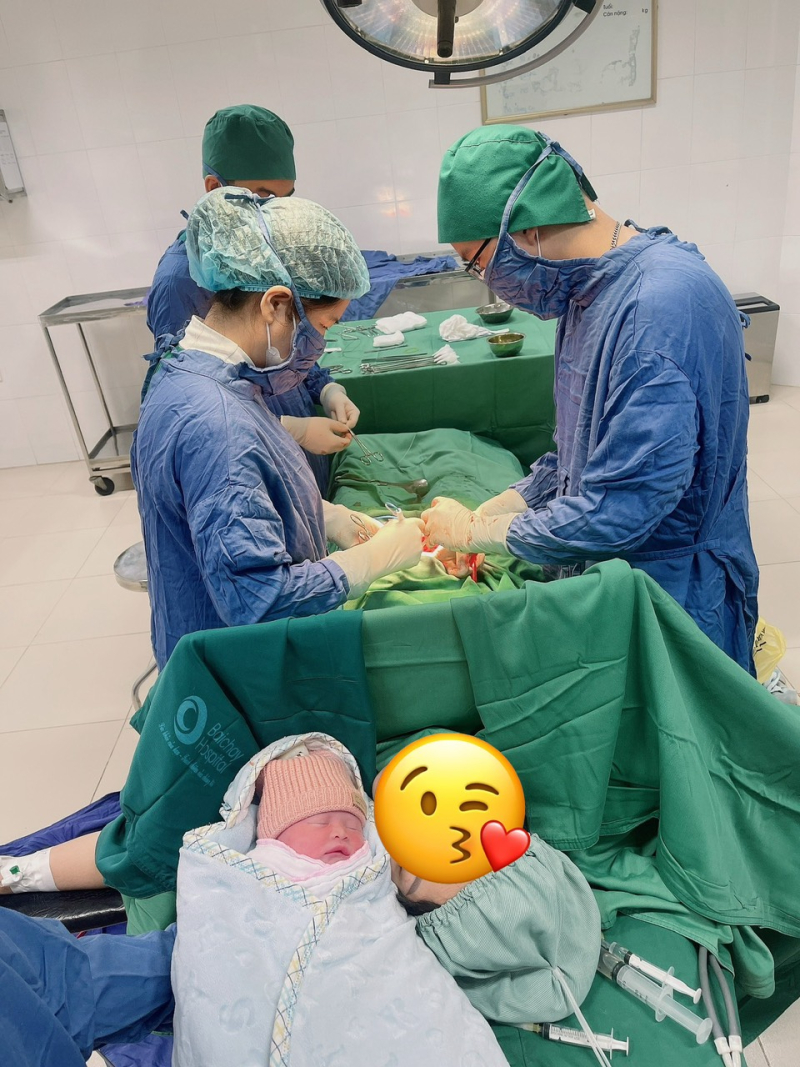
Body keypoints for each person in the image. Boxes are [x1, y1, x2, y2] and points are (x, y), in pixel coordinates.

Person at [423, 125, 759, 674]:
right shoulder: (588, 291)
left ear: (523, 228)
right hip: (618, 575)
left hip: (670, 595)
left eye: (476, 262)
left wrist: (480, 533)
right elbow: (582, 450)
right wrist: (509, 505)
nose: (485, 278)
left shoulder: (656, 310)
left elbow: (622, 508)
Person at [134, 187, 424, 669]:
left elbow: (225, 501)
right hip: (239, 673)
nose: (320, 346)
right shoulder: (218, 423)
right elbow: (260, 599)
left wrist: (325, 516)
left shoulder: (191, 368)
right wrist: (374, 561)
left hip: (207, 642)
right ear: (274, 304)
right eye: (324, 327)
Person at [146, 105, 357, 490]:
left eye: (285, 198)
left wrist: (324, 388)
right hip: (244, 460)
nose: (276, 211)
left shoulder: (266, 252)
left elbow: (287, 341)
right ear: (215, 188)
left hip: (290, 448)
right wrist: (287, 429)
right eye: (263, 196)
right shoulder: (180, 281)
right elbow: (194, 404)